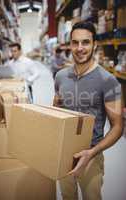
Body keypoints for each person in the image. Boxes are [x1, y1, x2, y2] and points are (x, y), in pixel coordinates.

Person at [53, 21, 123, 200]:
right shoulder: (60, 76)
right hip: (64, 153)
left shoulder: (108, 81)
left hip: (91, 155)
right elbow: (56, 111)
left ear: (94, 45)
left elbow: (117, 127)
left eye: (85, 42)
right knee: (68, 196)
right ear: (69, 44)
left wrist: (92, 152)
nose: (80, 48)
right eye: (75, 42)